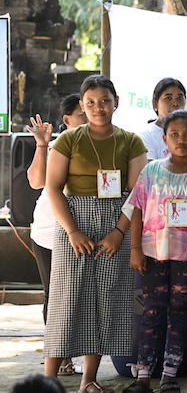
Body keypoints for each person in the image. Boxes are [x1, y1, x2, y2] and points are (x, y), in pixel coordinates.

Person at [43, 75, 148, 393]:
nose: (98, 107)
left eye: (104, 100)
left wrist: (119, 232)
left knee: (106, 301)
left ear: (116, 101)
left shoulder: (131, 141)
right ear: (82, 106)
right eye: (90, 102)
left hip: (117, 223)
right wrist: (72, 230)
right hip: (73, 224)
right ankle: (50, 380)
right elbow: (53, 187)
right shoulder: (69, 139)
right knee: (67, 300)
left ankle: (88, 380)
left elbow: (137, 193)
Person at [122, 110, 187, 393]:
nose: (182, 140)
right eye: (175, 134)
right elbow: (137, 210)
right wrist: (135, 249)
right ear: (164, 138)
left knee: (179, 313)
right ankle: (142, 376)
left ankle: (169, 375)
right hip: (153, 255)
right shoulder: (151, 171)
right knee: (151, 312)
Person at [26, 95, 87, 377]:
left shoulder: (104, 143)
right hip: (50, 234)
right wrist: (41, 145)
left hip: (88, 232)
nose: (89, 116)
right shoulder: (55, 145)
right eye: (82, 113)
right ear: (67, 120)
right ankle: (59, 357)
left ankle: (79, 358)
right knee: (56, 296)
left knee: (83, 296)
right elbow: (37, 181)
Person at [139, 77, 187, 167]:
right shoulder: (146, 136)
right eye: (169, 98)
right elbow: (150, 174)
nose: (175, 103)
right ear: (155, 103)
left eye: (179, 98)